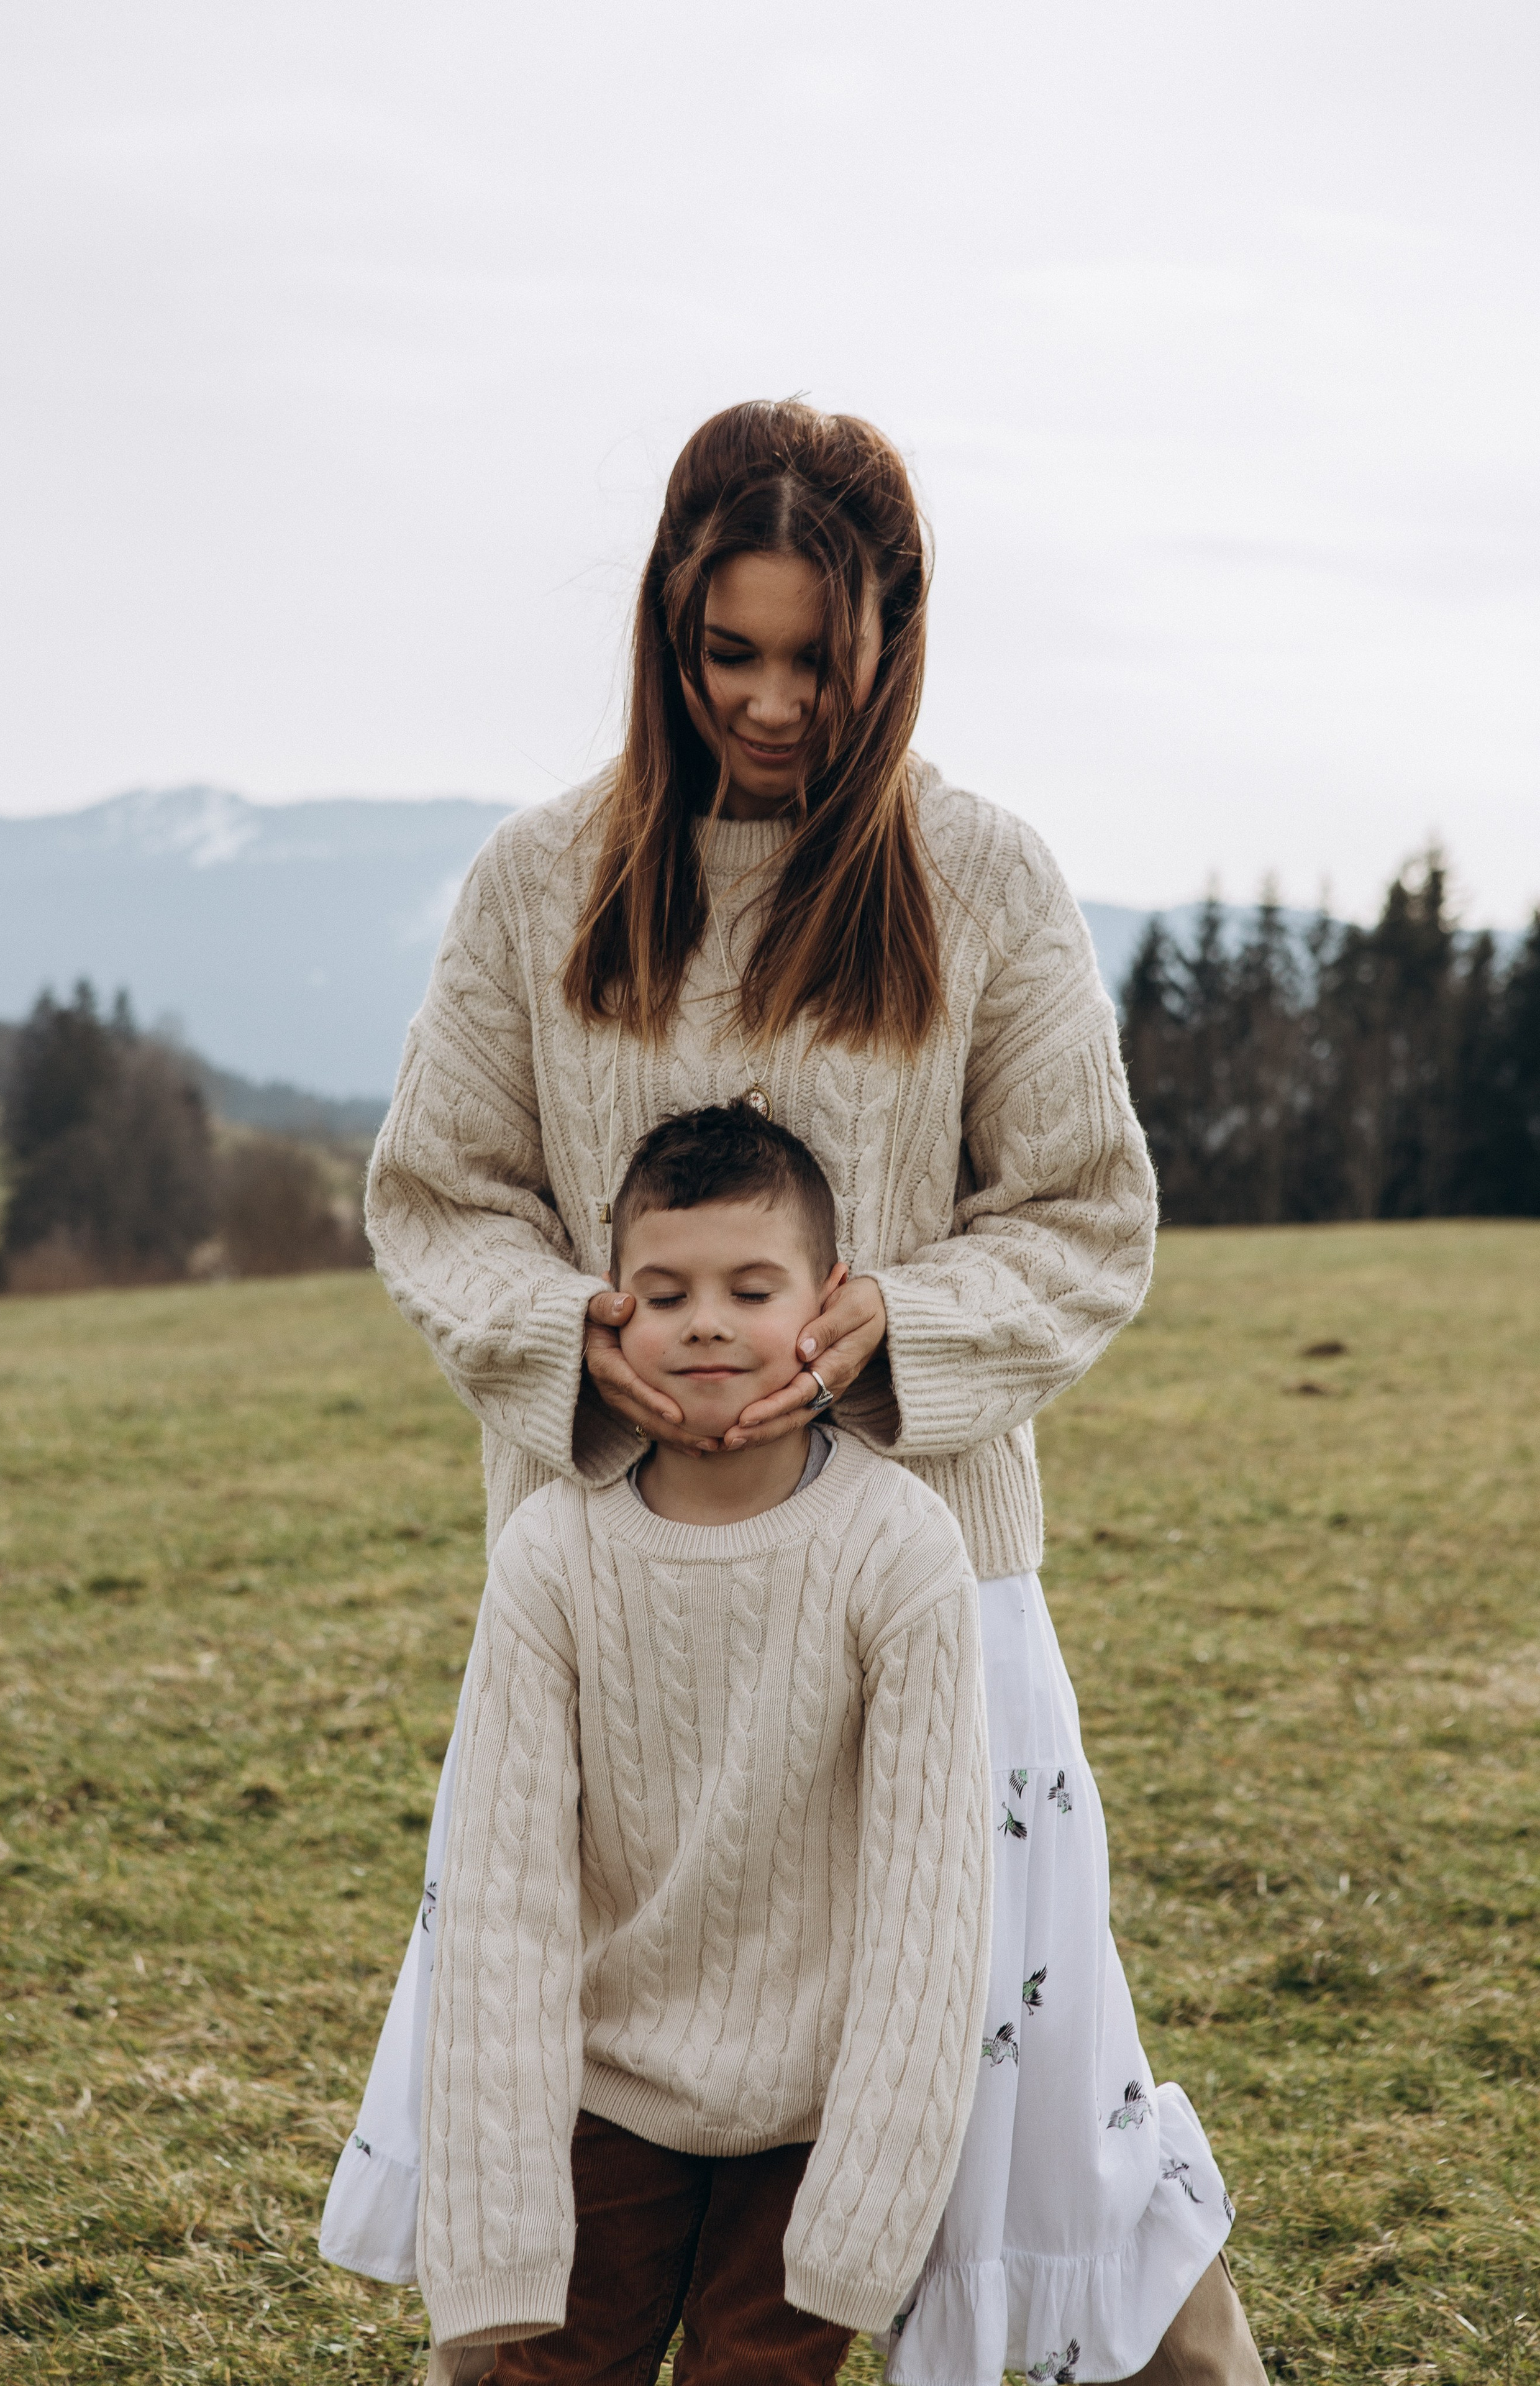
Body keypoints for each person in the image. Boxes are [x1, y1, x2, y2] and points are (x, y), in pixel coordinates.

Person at [322, 397, 1266, 2384]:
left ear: (893, 641)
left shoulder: (982, 881)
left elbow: (1089, 1216)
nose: (765, 705)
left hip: (929, 1619)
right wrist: (570, 1337)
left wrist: (897, 1329)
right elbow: (439, 1197)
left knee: (1062, 2161)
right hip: (614, 1631)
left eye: (812, 663)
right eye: (722, 653)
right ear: (669, 635)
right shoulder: (537, 882)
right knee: (548, 2173)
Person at [418, 1102, 994, 2381]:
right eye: (664, 1292)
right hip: (606, 2095)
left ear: (827, 1302)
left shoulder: (898, 1552)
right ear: (608, 1309)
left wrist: (863, 2201)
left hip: (810, 2114)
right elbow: (501, 1902)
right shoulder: (551, 1558)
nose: (708, 1323)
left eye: (751, 1287)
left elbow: (930, 1897)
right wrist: (500, 2221)